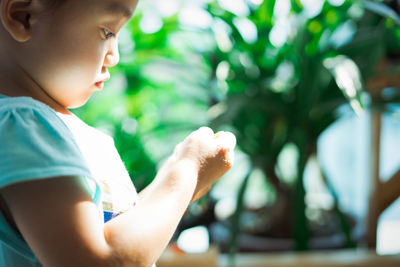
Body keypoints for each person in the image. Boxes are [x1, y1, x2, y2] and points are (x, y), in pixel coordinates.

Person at [0, 0, 236, 266]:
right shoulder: (24, 126)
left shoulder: (39, 126)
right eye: (108, 31)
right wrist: (187, 171)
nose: (115, 56)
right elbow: (99, 261)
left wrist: (179, 185)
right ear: (23, 17)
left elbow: (113, 233)